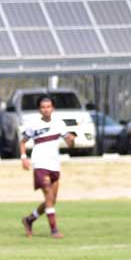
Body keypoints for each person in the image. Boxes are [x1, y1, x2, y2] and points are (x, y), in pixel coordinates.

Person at [20, 94, 75, 238]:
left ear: (53, 108)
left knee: (51, 200)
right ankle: (54, 230)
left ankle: (29, 219)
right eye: (43, 107)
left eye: (48, 107)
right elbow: (22, 142)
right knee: (49, 195)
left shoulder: (59, 124)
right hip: (40, 164)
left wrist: (71, 140)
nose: (46, 110)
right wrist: (24, 158)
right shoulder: (34, 125)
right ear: (39, 110)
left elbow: (70, 143)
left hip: (54, 165)